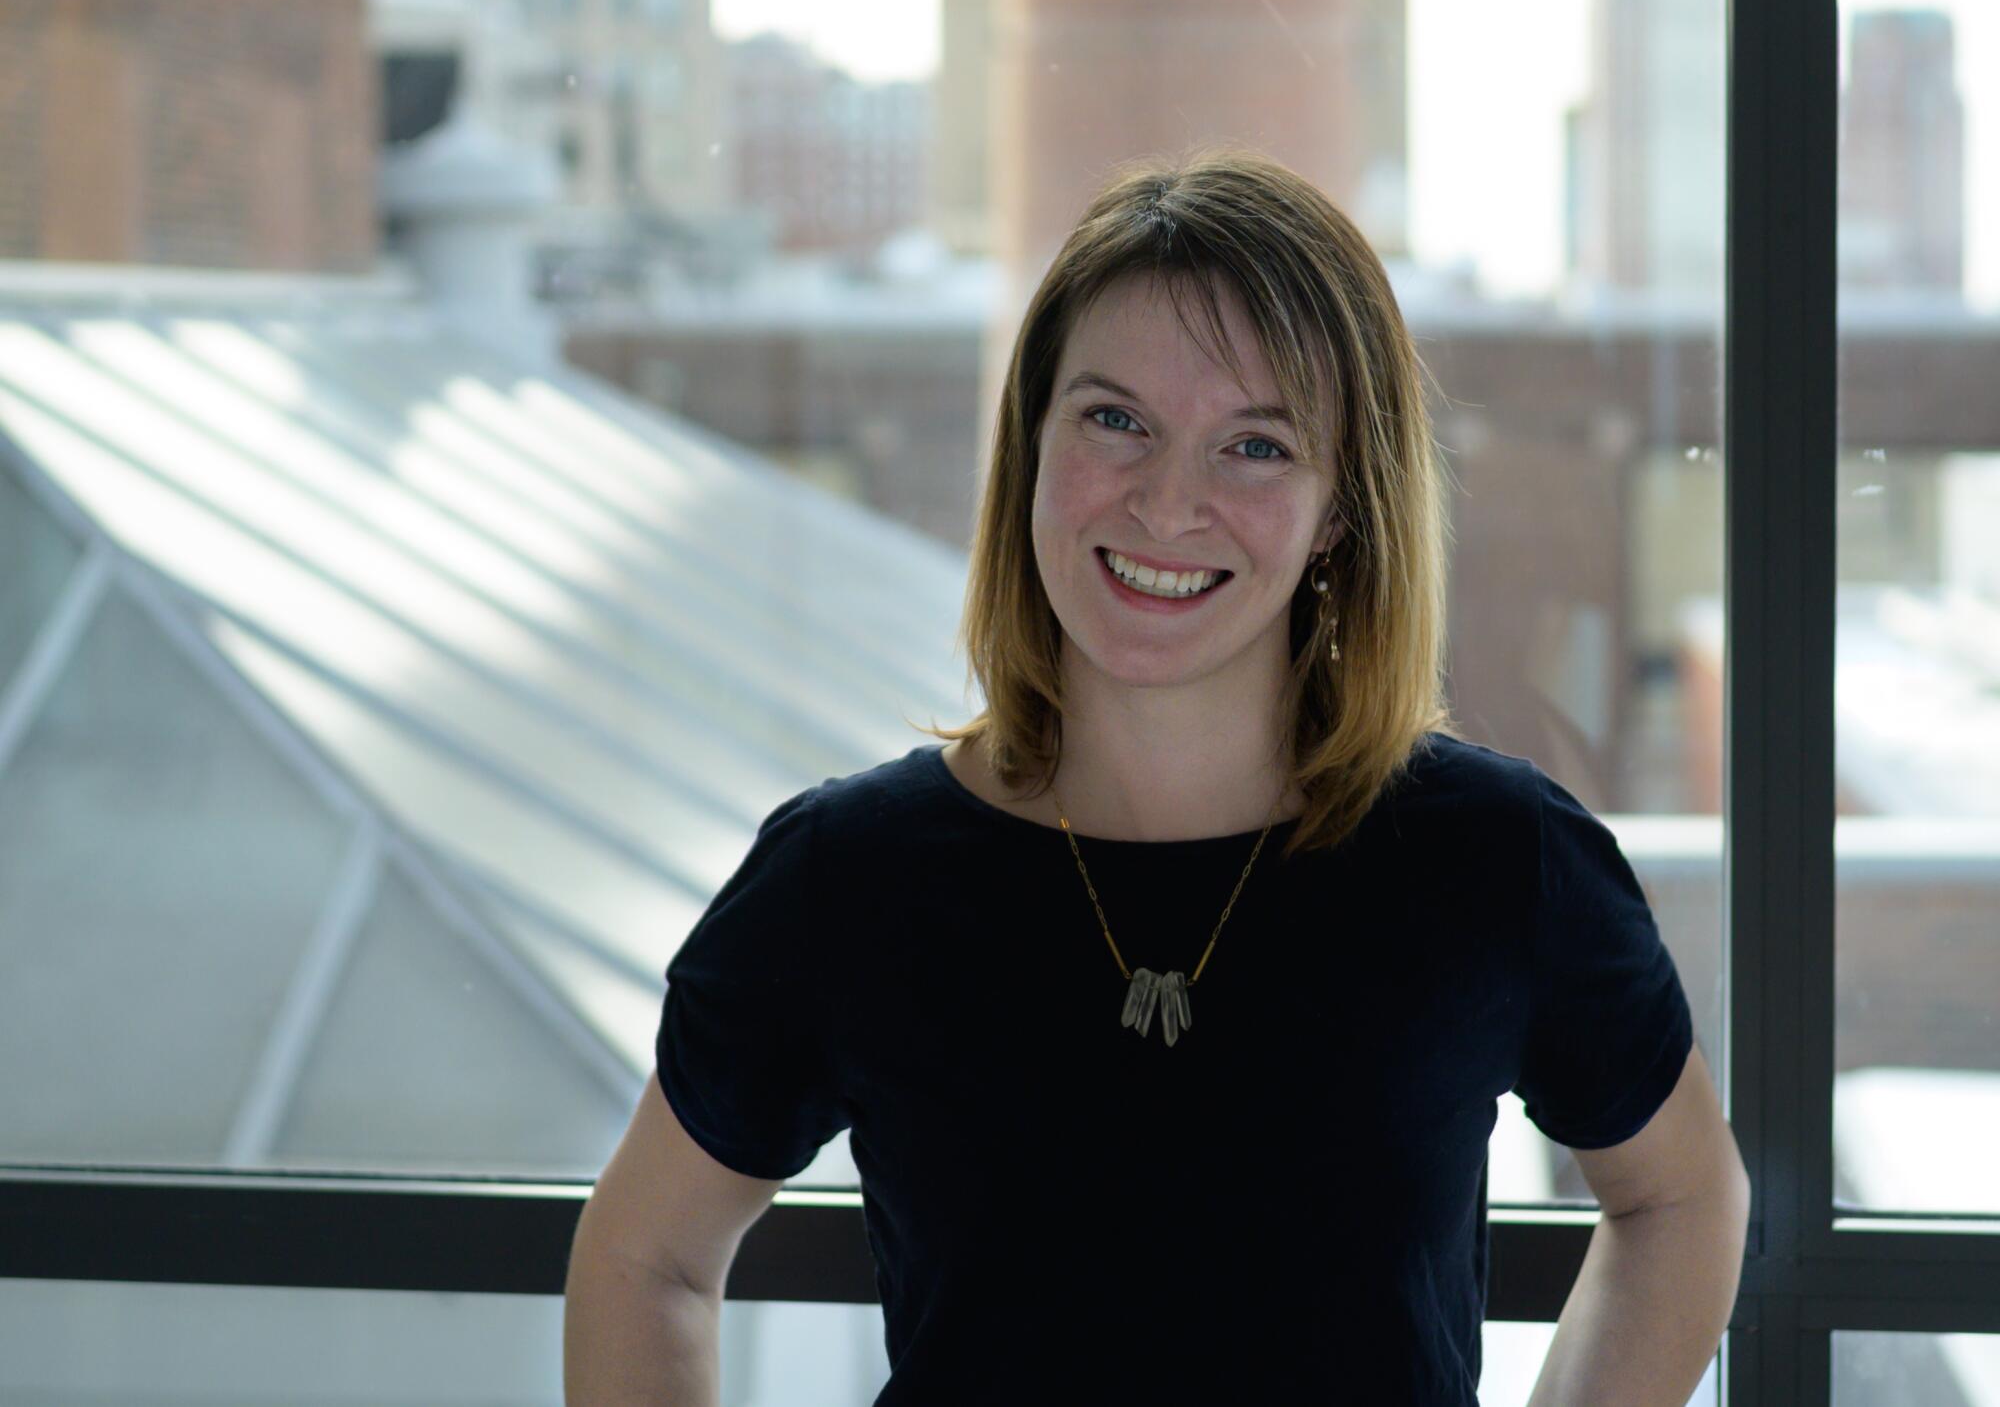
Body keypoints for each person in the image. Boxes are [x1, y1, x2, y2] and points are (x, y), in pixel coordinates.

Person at [585, 146, 1737, 1405]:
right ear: (1032, 442)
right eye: (1114, 420)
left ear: (1340, 511)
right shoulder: (848, 876)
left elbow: (1682, 1196)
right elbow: (646, 1256)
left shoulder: (1492, 857)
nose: (1165, 503)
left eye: (1253, 447)